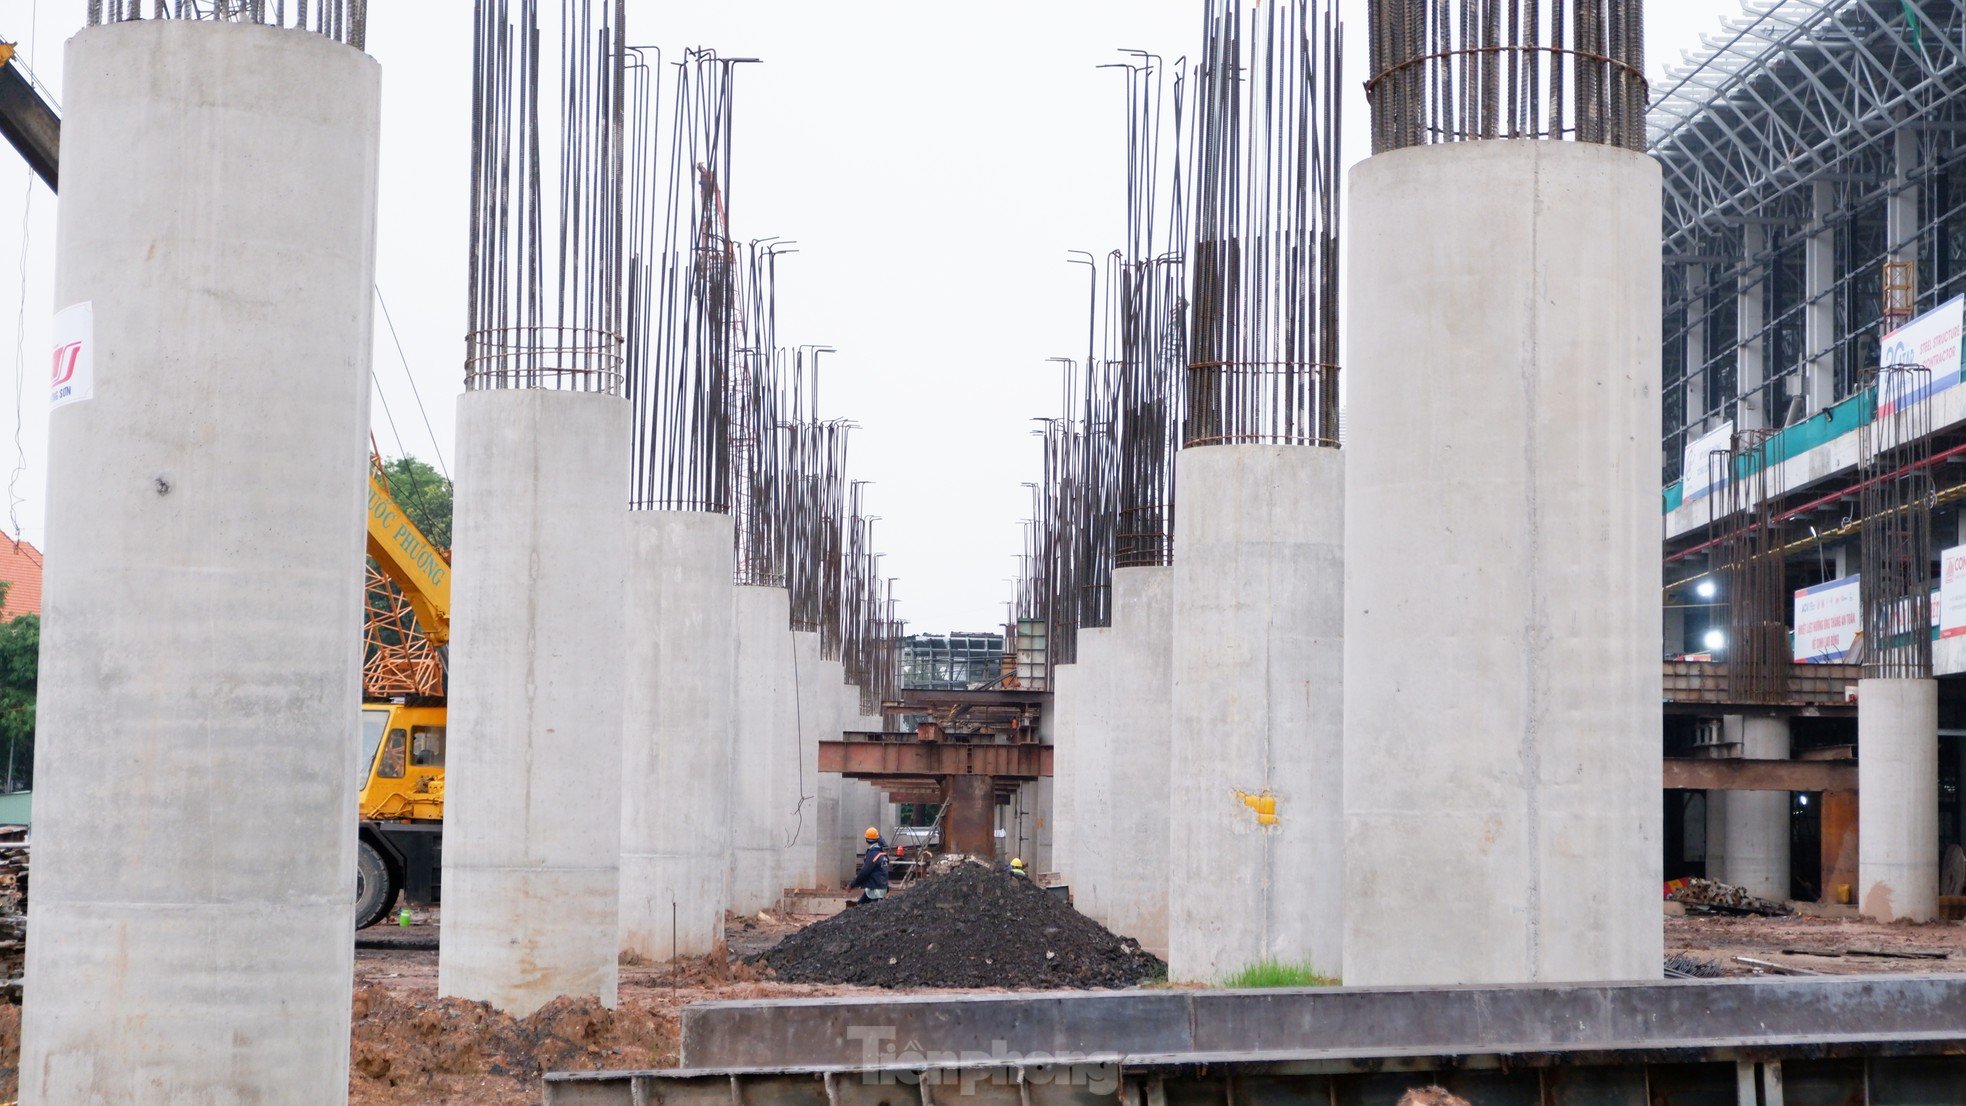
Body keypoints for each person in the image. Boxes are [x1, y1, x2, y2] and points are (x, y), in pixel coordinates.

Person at [848, 827, 890, 905]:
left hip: (875, 890)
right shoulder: (882, 854)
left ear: (866, 839)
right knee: (860, 905)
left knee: (870, 909)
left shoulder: (872, 854)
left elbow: (864, 872)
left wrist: (852, 884)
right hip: (880, 888)